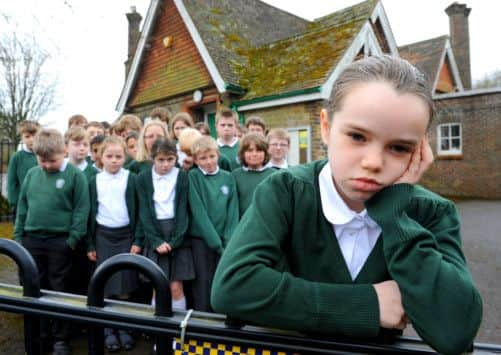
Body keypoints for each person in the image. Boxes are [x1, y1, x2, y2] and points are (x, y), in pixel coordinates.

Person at [211, 56, 482, 355]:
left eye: (399, 147)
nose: (373, 162)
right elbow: (232, 287)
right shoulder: (285, 191)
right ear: (326, 127)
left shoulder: (432, 212)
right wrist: (369, 305)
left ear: (419, 150)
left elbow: (456, 330)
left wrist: (396, 220)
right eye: (357, 136)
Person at [14, 129, 90, 355]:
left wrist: (72, 239)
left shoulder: (75, 176)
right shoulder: (31, 175)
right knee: (34, 287)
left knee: (60, 289)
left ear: (64, 151)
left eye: (52, 160)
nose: (46, 165)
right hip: (32, 240)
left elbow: (81, 209)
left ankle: (61, 339)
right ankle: (39, 334)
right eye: (42, 160)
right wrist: (19, 237)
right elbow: (22, 207)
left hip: (60, 242)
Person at [87, 136, 142, 352]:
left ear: (124, 157)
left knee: (125, 285)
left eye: (118, 156)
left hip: (126, 236)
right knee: (105, 284)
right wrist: (90, 244)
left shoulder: (132, 178)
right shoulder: (94, 181)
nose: (114, 160)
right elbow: (90, 213)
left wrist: (138, 240)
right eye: (109, 156)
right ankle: (108, 329)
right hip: (103, 236)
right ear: (101, 157)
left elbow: (139, 211)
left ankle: (124, 327)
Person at [136, 138, 194, 312]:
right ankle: (159, 334)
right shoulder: (143, 178)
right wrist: (156, 241)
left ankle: (178, 334)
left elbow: (184, 210)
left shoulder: (182, 176)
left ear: (176, 159)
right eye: (161, 160)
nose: (166, 165)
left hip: (177, 234)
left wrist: (176, 240)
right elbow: (144, 212)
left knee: (176, 288)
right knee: (158, 287)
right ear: (153, 158)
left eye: (170, 160)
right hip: (155, 234)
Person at [188, 136, 239, 312]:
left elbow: (233, 212)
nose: (208, 162)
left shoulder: (228, 177)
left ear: (218, 155)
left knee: (223, 282)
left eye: (211, 156)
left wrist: (228, 240)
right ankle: (202, 326)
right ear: (195, 160)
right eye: (202, 158)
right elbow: (199, 213)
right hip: (202, 241)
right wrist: (216, 244)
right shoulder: (193, 177)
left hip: (225, 243)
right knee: (203, 283)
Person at [64, 127, 98, 296]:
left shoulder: (94, 173)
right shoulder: (60, 169)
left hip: (88, 234)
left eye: (85, 144)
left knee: (86, 277)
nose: (82, 148)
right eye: (77, 144)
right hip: (65, 232)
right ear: (66, 146)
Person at [232, 133, 274, 217]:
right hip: (242, 224)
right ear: (242, 153)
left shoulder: (274, 175)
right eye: (250, 150)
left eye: (259, 150)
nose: (254, 154)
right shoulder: (235, 175)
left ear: (265, 153)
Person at [7, 120, 40, 220]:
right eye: (27, 136)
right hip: (22, 203)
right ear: (22, 138)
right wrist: (14, 203)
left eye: (34, 135)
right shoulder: (17, 157)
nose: (31, 139)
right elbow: (12, 182)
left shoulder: (44, 155)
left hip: (41, 203)